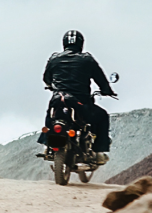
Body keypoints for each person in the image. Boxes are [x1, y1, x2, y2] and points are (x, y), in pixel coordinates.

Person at [41, 30, 116, 161]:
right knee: (102, 116)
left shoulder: (54, 58)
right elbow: (101, 79)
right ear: (81, 43)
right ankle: (99, 151)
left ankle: (47, 143)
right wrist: (107, 90)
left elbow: (46, 78)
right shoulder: (87, 59)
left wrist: (51, 85)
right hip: (80, 102)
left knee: (51, 114)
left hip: (58, 99)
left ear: (64, 43)